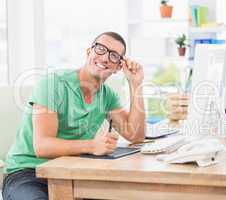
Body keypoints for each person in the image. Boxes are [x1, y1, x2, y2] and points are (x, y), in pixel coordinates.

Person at [2, 32, 145, 200]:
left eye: (114, 56)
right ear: (88, 52)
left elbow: (135, 136)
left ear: (118, 67)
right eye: (100, 49)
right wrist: (92, 146)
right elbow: (43, 146)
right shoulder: (53, 84)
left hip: (73, 174)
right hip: (29, 174)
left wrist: (136, 84)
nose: (105, 58)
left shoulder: (107, 96)